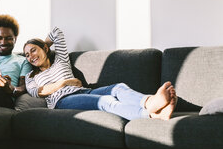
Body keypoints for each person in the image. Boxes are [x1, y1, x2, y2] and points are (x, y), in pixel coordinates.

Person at [23, 27, 177, 120]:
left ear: (44, 48)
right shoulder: (32, 77)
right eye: (27, 55)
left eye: (33, 50)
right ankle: (150, 115)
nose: (31, 56)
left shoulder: (60, 59)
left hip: (83, 91)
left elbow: (56, 32)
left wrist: (44, 45)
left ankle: (149, 102)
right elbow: (40, 92)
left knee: (118, 88)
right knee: (106, 101)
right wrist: (66, 82)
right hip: (62, 101)